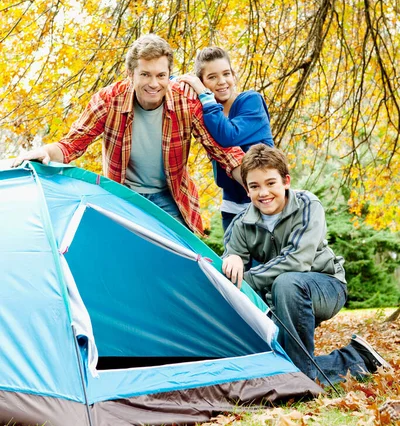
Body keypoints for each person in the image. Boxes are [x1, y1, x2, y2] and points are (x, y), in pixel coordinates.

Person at [13, 35, 245, 236]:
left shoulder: (185, 101)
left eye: (161, 75)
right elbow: (71, 146)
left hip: (170, 197)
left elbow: (223, 151)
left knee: (177, 263)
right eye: (145, 74)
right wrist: (44, 152)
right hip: (123, 196)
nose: (154, 84)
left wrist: (257, 181)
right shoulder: (109, 100)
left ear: (169, 74)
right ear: (130, 73)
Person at [221, 144, 392, 383]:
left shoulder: (308, 205)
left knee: (287, 282)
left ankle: (298, 381)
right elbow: (228, 277)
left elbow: (297, 261)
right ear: (247, 190)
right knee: (275, 356)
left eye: (271, 183)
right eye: (254, 186)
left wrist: (247, 279)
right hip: (279, 300)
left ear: (286, 181)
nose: (263, 193)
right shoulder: (241, 224)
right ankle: (356, 358)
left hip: (325, 286)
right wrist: (232, 258)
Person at [176, 47, 273, 231]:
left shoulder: (251, 101)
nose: (222, 82)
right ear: (202, 81)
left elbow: (228, 136)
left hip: (266, 202)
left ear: (233, 75)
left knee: (268, 260)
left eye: (226, 74)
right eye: (212, 77)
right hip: (232, 207)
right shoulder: (208, 112)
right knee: (232, 259)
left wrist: (204, 95)